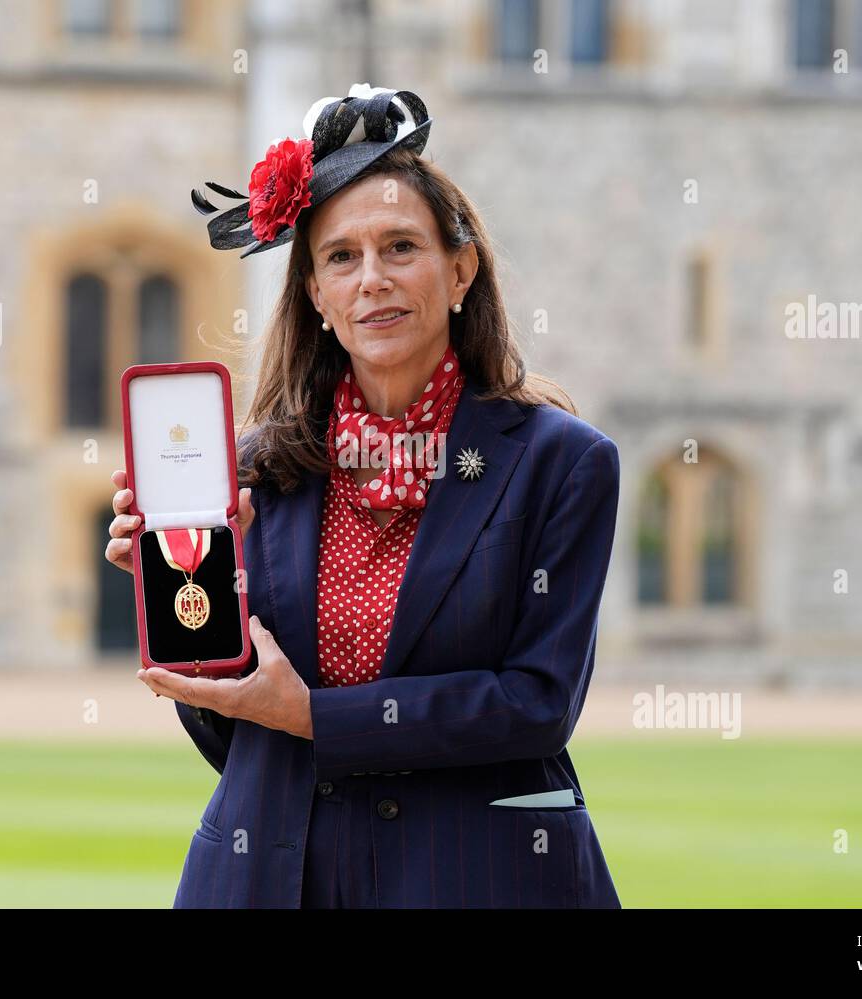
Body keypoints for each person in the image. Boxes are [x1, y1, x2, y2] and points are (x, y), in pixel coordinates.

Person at [105, 85, 623, 908]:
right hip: (269, 878)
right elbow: (242, 735)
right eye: (341, 256)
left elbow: (536, 704)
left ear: (460, 269)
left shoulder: (564, 463)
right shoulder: (254, 471)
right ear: (314, 293)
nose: (372, 278)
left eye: (400, 247)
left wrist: (317, 715)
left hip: (476, 878)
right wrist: (194, 600)